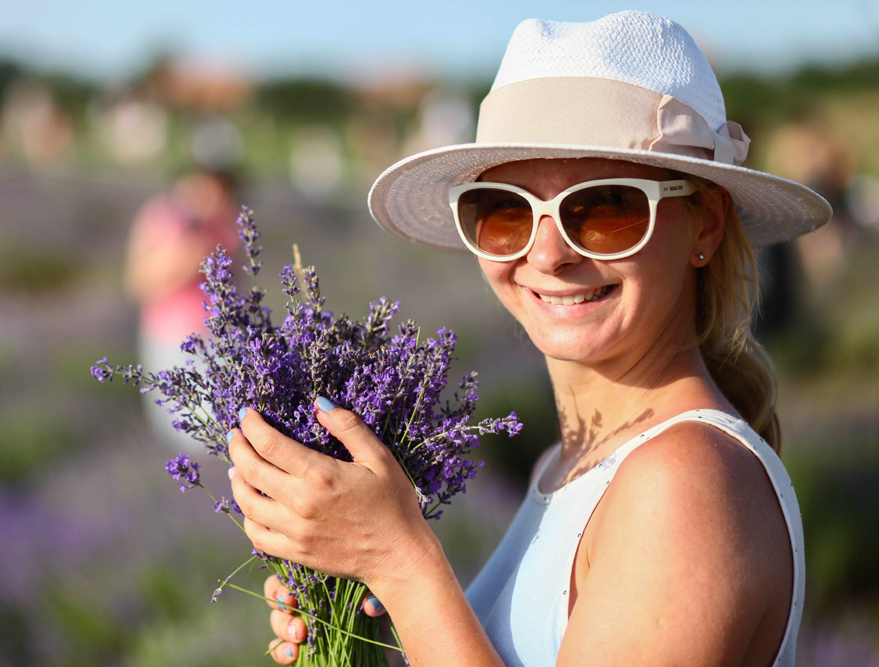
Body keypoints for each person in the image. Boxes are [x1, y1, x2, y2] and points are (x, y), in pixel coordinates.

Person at [226, 11, 831, 666]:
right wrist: (357, 627)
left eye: (605, 207)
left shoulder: (685, 483)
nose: (547, 254)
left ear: (705, 223)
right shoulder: (564, 465)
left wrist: (398, 560)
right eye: (507, 210)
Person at [124, 121, 242, 451]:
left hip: (219, 340)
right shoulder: (162, 216)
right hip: (171, 339)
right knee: (184, 432)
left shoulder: (227, 219)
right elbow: (136, 280)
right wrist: (183, 258)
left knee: (221, 432)